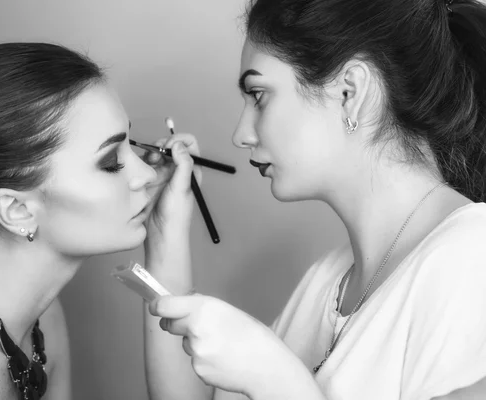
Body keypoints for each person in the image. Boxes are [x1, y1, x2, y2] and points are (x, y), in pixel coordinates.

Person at [143, 0, 486, 399]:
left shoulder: (472, 261)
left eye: (258, 95)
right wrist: (164, 235)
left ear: (349, 92)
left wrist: (276, 380)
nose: (241, 134)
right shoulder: (326, 281)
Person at [0, 42, 197, 400]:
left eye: (132, 141)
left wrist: (164, 230)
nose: (146, 172)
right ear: (16, 210)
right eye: (111, 161)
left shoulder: (40, 321)